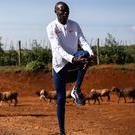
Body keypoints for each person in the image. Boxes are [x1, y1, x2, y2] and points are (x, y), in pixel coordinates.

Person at [46, 1, 94, 135]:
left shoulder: (74, 25)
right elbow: (57, 48)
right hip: (60, 65)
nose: (65, 13)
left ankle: (76, 89)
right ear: (55, 12)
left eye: (67, 10)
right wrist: (73, 58)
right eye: (62, 11)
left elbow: (83, 41)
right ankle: (62, 131)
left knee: (85, 55)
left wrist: (91, 54)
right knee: (60, 99)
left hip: (74, 61)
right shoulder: (51, 27)